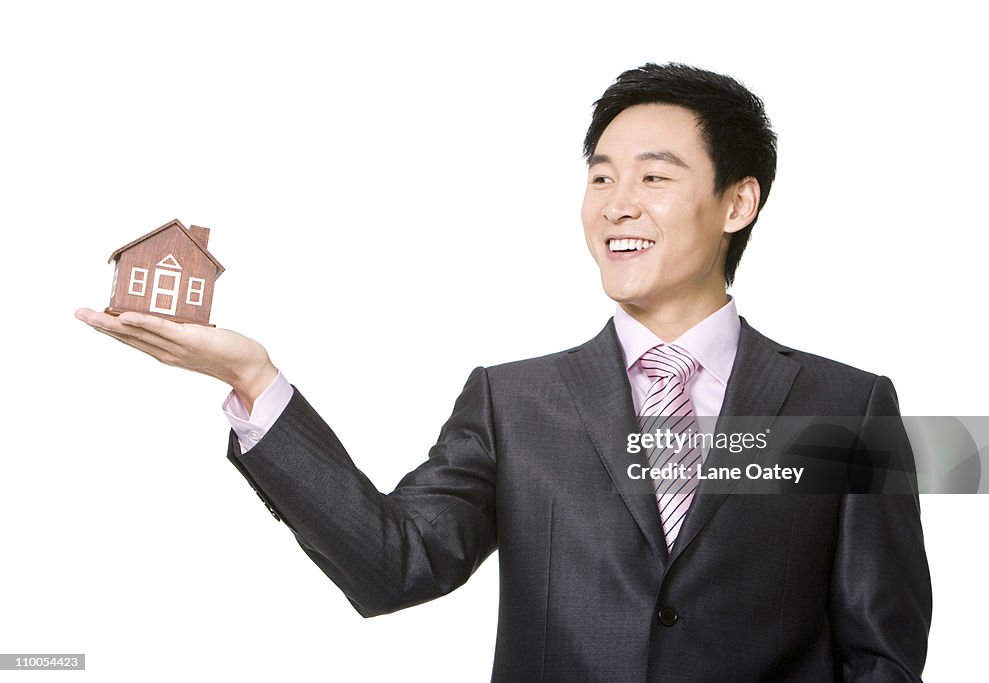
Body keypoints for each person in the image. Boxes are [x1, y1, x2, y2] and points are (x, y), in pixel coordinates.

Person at [76, 62, 931, 681]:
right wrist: (258, 381)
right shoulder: (515, 403)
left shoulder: (846, 407)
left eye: (654, 177)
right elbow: (394, 563)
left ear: (737, 202)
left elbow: (882, 651)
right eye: (600, 176)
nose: (616, 203)